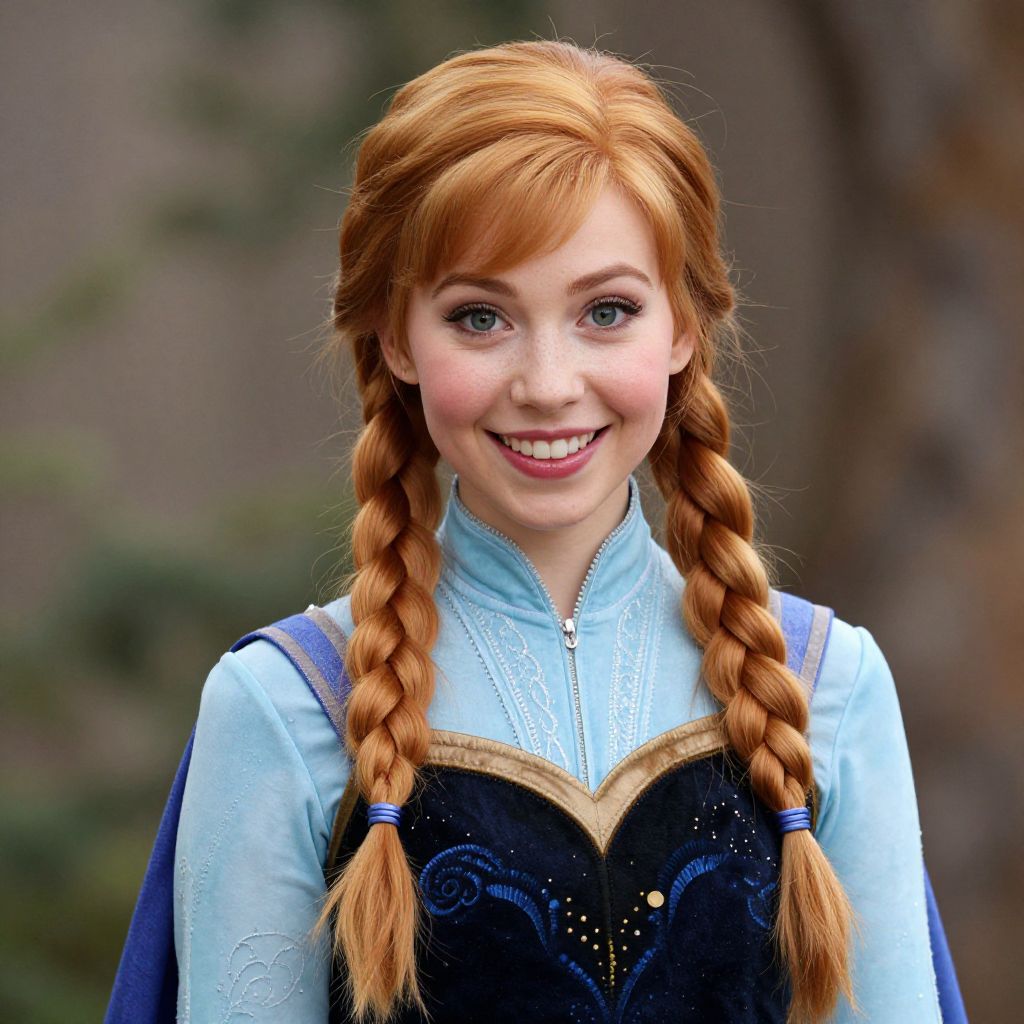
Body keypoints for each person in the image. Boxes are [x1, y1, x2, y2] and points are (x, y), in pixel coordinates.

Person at [157, 40, 948, 1023]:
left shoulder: (826, 687)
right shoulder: (289, 709)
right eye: (480, 317)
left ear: (684, 325)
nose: (545, 384)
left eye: (605, 310)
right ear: (396, 336)